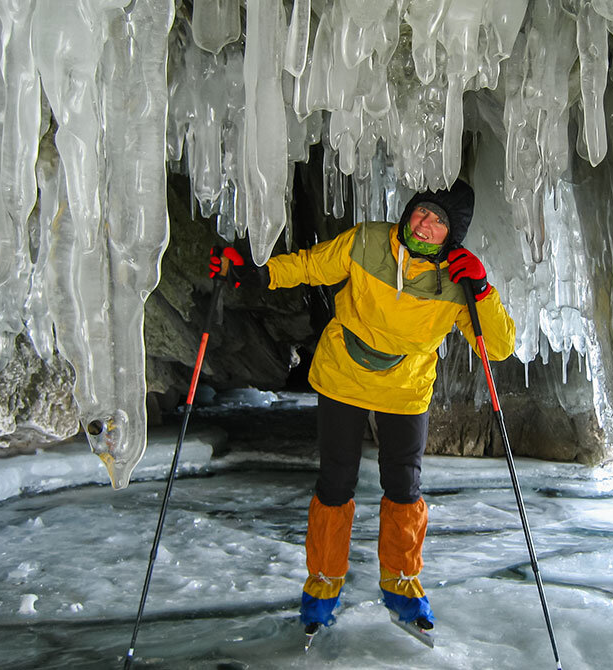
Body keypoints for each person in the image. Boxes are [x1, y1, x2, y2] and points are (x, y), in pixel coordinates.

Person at [208, 179, 515, 634]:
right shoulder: (368, 240)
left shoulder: (457, 282)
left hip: (406, 386)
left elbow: (499, 346)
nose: (425, 225)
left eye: (438, 222)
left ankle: (403, 584)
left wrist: (483, 291)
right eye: (421, 213)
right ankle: (322, 586)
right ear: (409, 211)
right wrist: (254, 272)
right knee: (335, 482)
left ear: (451, 235)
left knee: (404, 486)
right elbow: (311, 267)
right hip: (342, 376)